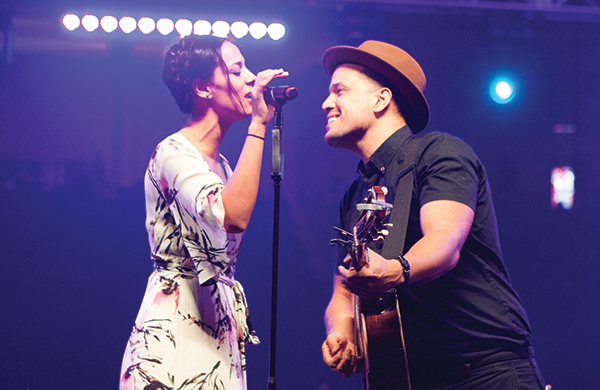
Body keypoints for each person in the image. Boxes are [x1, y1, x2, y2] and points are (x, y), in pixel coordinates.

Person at [320, 40, 547, 389]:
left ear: (381, 99)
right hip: (413, 376)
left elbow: (445, 240)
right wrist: (342, 332)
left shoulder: (438, 153)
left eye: (340, 91)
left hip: (485, 371)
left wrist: (394, 270)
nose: (326, 103)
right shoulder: (355, 194)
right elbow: (343, 291)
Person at [119, 35, 288, 389]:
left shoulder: (224, 166)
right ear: (203, 88)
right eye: (237, 70)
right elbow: (232, 216)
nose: (251, 79)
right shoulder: (173, 153)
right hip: (175, 330)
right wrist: (258, 126)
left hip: (215, 326)